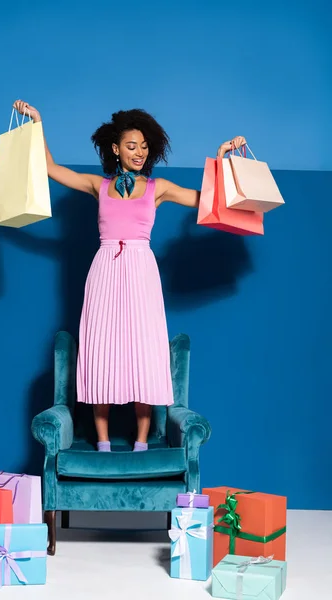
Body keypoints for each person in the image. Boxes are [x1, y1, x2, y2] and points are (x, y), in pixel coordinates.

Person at [13, 100, 246, 452]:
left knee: (145, 350)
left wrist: (222, 157)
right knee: (99, 349)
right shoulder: (98, 185)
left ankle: (141, 444)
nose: (139, 152)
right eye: (131, 146)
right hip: (105, 266)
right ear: (115, 149)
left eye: (144, 146)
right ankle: (102, 443)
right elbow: (49, 168)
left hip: (141, 269)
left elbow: (205, 200)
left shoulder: (159, 188)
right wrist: (36, 121)